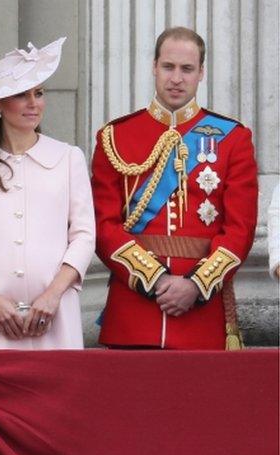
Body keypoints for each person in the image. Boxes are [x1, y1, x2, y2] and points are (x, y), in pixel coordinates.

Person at [91, 27, 259, 349]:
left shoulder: (233, 138)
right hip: (134, 313)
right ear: (154, 67)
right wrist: (155, 280)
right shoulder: (115, 137)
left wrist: (196, 285)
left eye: (187, 69)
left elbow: (240, 229)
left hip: (201, 315)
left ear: (201, 73)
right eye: (168, 67)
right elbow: (103, 225)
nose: (176, 78)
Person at [0, 38, 96, 350]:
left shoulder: (68, 157)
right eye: (21, 94)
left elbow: (84, 236)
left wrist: (53, 295)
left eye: (39, 93)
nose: (33, 103)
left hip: (56, 316)